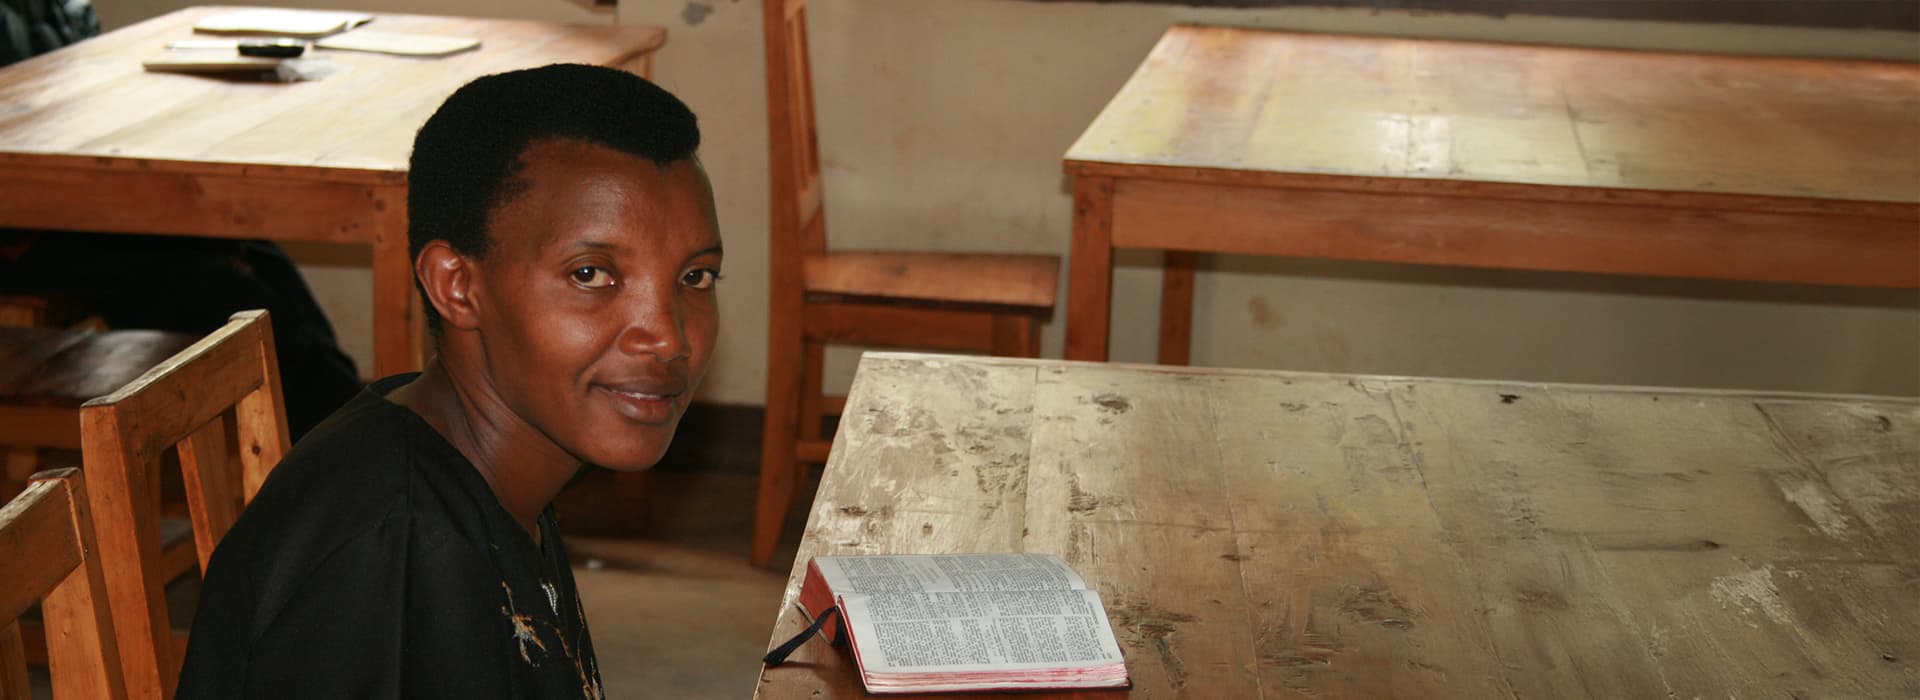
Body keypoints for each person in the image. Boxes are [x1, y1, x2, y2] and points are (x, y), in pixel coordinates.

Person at [174, 63, 722, 698]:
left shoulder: (487, 464)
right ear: (457, 286)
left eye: (695, 277)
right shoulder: (393, 555)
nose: (668, 337)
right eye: (591, 274)